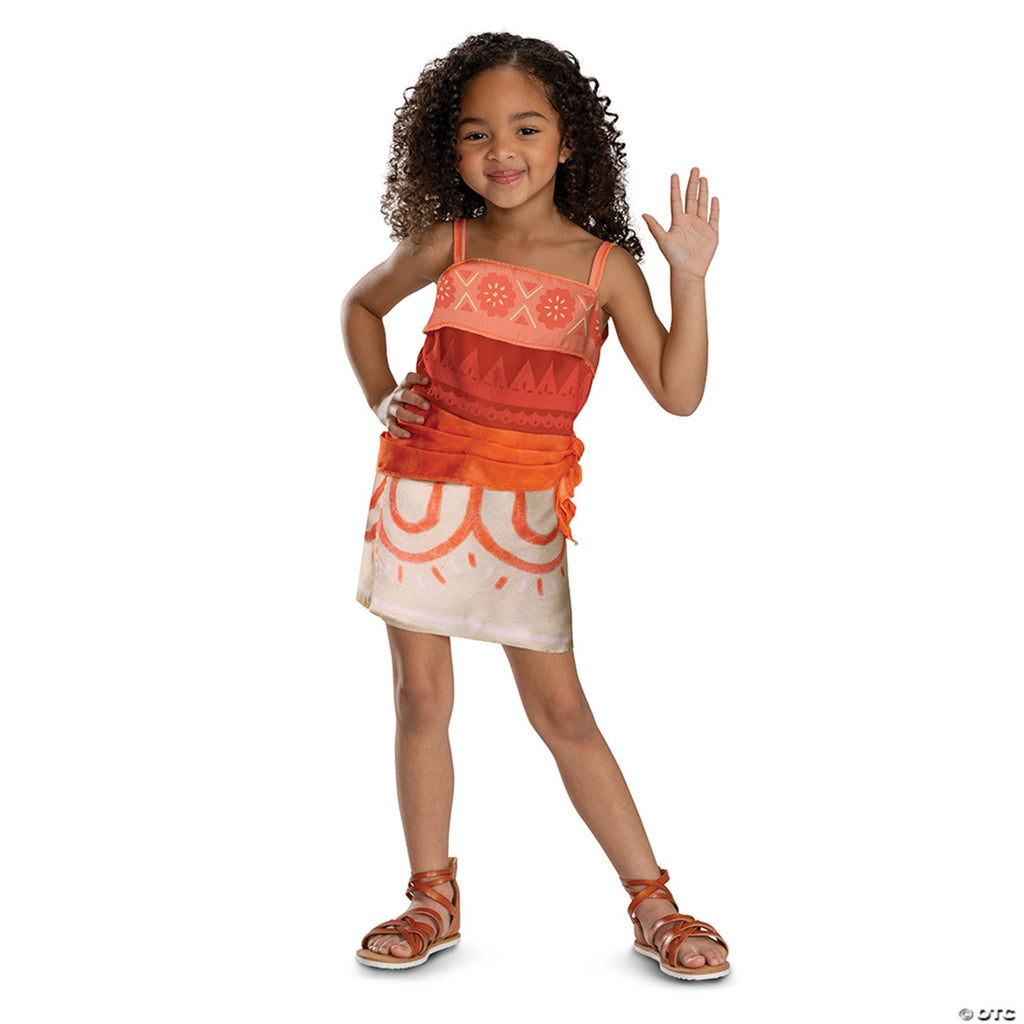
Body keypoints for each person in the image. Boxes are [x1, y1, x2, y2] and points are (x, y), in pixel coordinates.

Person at [341, 31, 729, 980]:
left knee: (563, 714)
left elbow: (679, 393)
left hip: (523, 516)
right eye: (476, 133)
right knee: (420, 699)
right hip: (420, 494)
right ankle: (431, 895)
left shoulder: (604, 269)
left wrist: (686, 279)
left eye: (525, 127)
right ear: (449, 149)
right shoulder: (449, 243)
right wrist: (382, 394)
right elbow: (361, 306)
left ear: (568, 141)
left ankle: (653, 901)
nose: (501, 150)